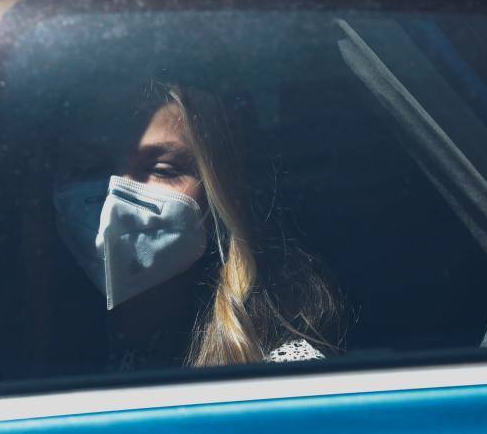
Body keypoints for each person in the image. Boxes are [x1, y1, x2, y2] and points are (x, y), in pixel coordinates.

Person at [50, 79, 343, 371]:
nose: (115, 201)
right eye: (88, 167)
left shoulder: (281, 369)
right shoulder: (24, 357)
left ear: (219, 194)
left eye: (162, 169)